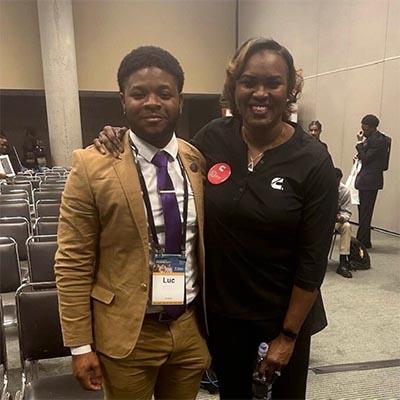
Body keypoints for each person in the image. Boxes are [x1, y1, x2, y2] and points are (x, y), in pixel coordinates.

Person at [94, 38, 338, 399]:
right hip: (221, 318)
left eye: (273, 83)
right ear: (234, 88)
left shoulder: (313, 160)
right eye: (249, 82)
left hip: (282, 320)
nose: (260, 93)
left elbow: (313, 260)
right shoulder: (211, 138)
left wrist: (287, 336)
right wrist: (120, 136)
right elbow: (164, 157)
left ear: (290, 91)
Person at [54, 46, 210, 400]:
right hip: (128, 332)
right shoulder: (91, 165)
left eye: (164, 93)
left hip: (188, 328)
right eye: (139, 93)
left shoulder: (194, 159)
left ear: (179, 101)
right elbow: (72, 262)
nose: (152, 102)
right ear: (122, 100)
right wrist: (80, 346)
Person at [355, 114, 390, 248]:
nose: (363, 131)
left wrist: (359, 143)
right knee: (363, 212)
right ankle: (366, 241)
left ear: (373, 127)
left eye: (365, 129)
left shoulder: (379, 140)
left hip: (371, 181)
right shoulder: (371, 138)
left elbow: (366, 158)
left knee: (366, 213)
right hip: (366, 180)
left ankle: (361, 242)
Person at [334, 168, 353, 279]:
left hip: (335, 221)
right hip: (321, 221)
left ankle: (343, 263)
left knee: (347, 226)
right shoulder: (320, 188)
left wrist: (341, 218)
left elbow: (347, 212)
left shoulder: (344, 191)